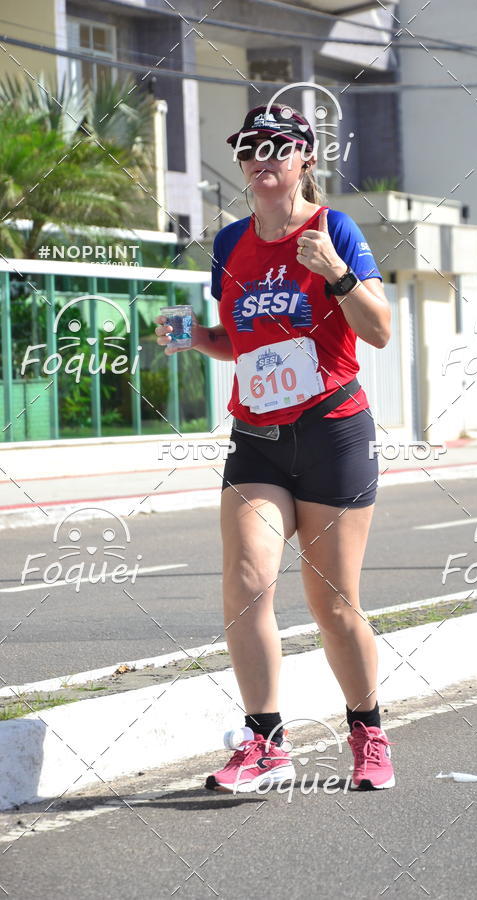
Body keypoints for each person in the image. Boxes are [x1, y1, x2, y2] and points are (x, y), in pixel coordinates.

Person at [155, 104, 394, 792]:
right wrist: (200, 339)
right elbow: (246, 344)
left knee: (333, 604)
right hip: (256, 438)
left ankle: (367, 729)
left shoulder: (334, 229)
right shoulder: (229, 245)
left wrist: (338, 274)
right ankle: (265, 743)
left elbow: (377, 332)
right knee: (247, 583)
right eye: (248, 148)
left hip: (333, 432)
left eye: (277, 147)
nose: (262, 158)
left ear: (304, 158)